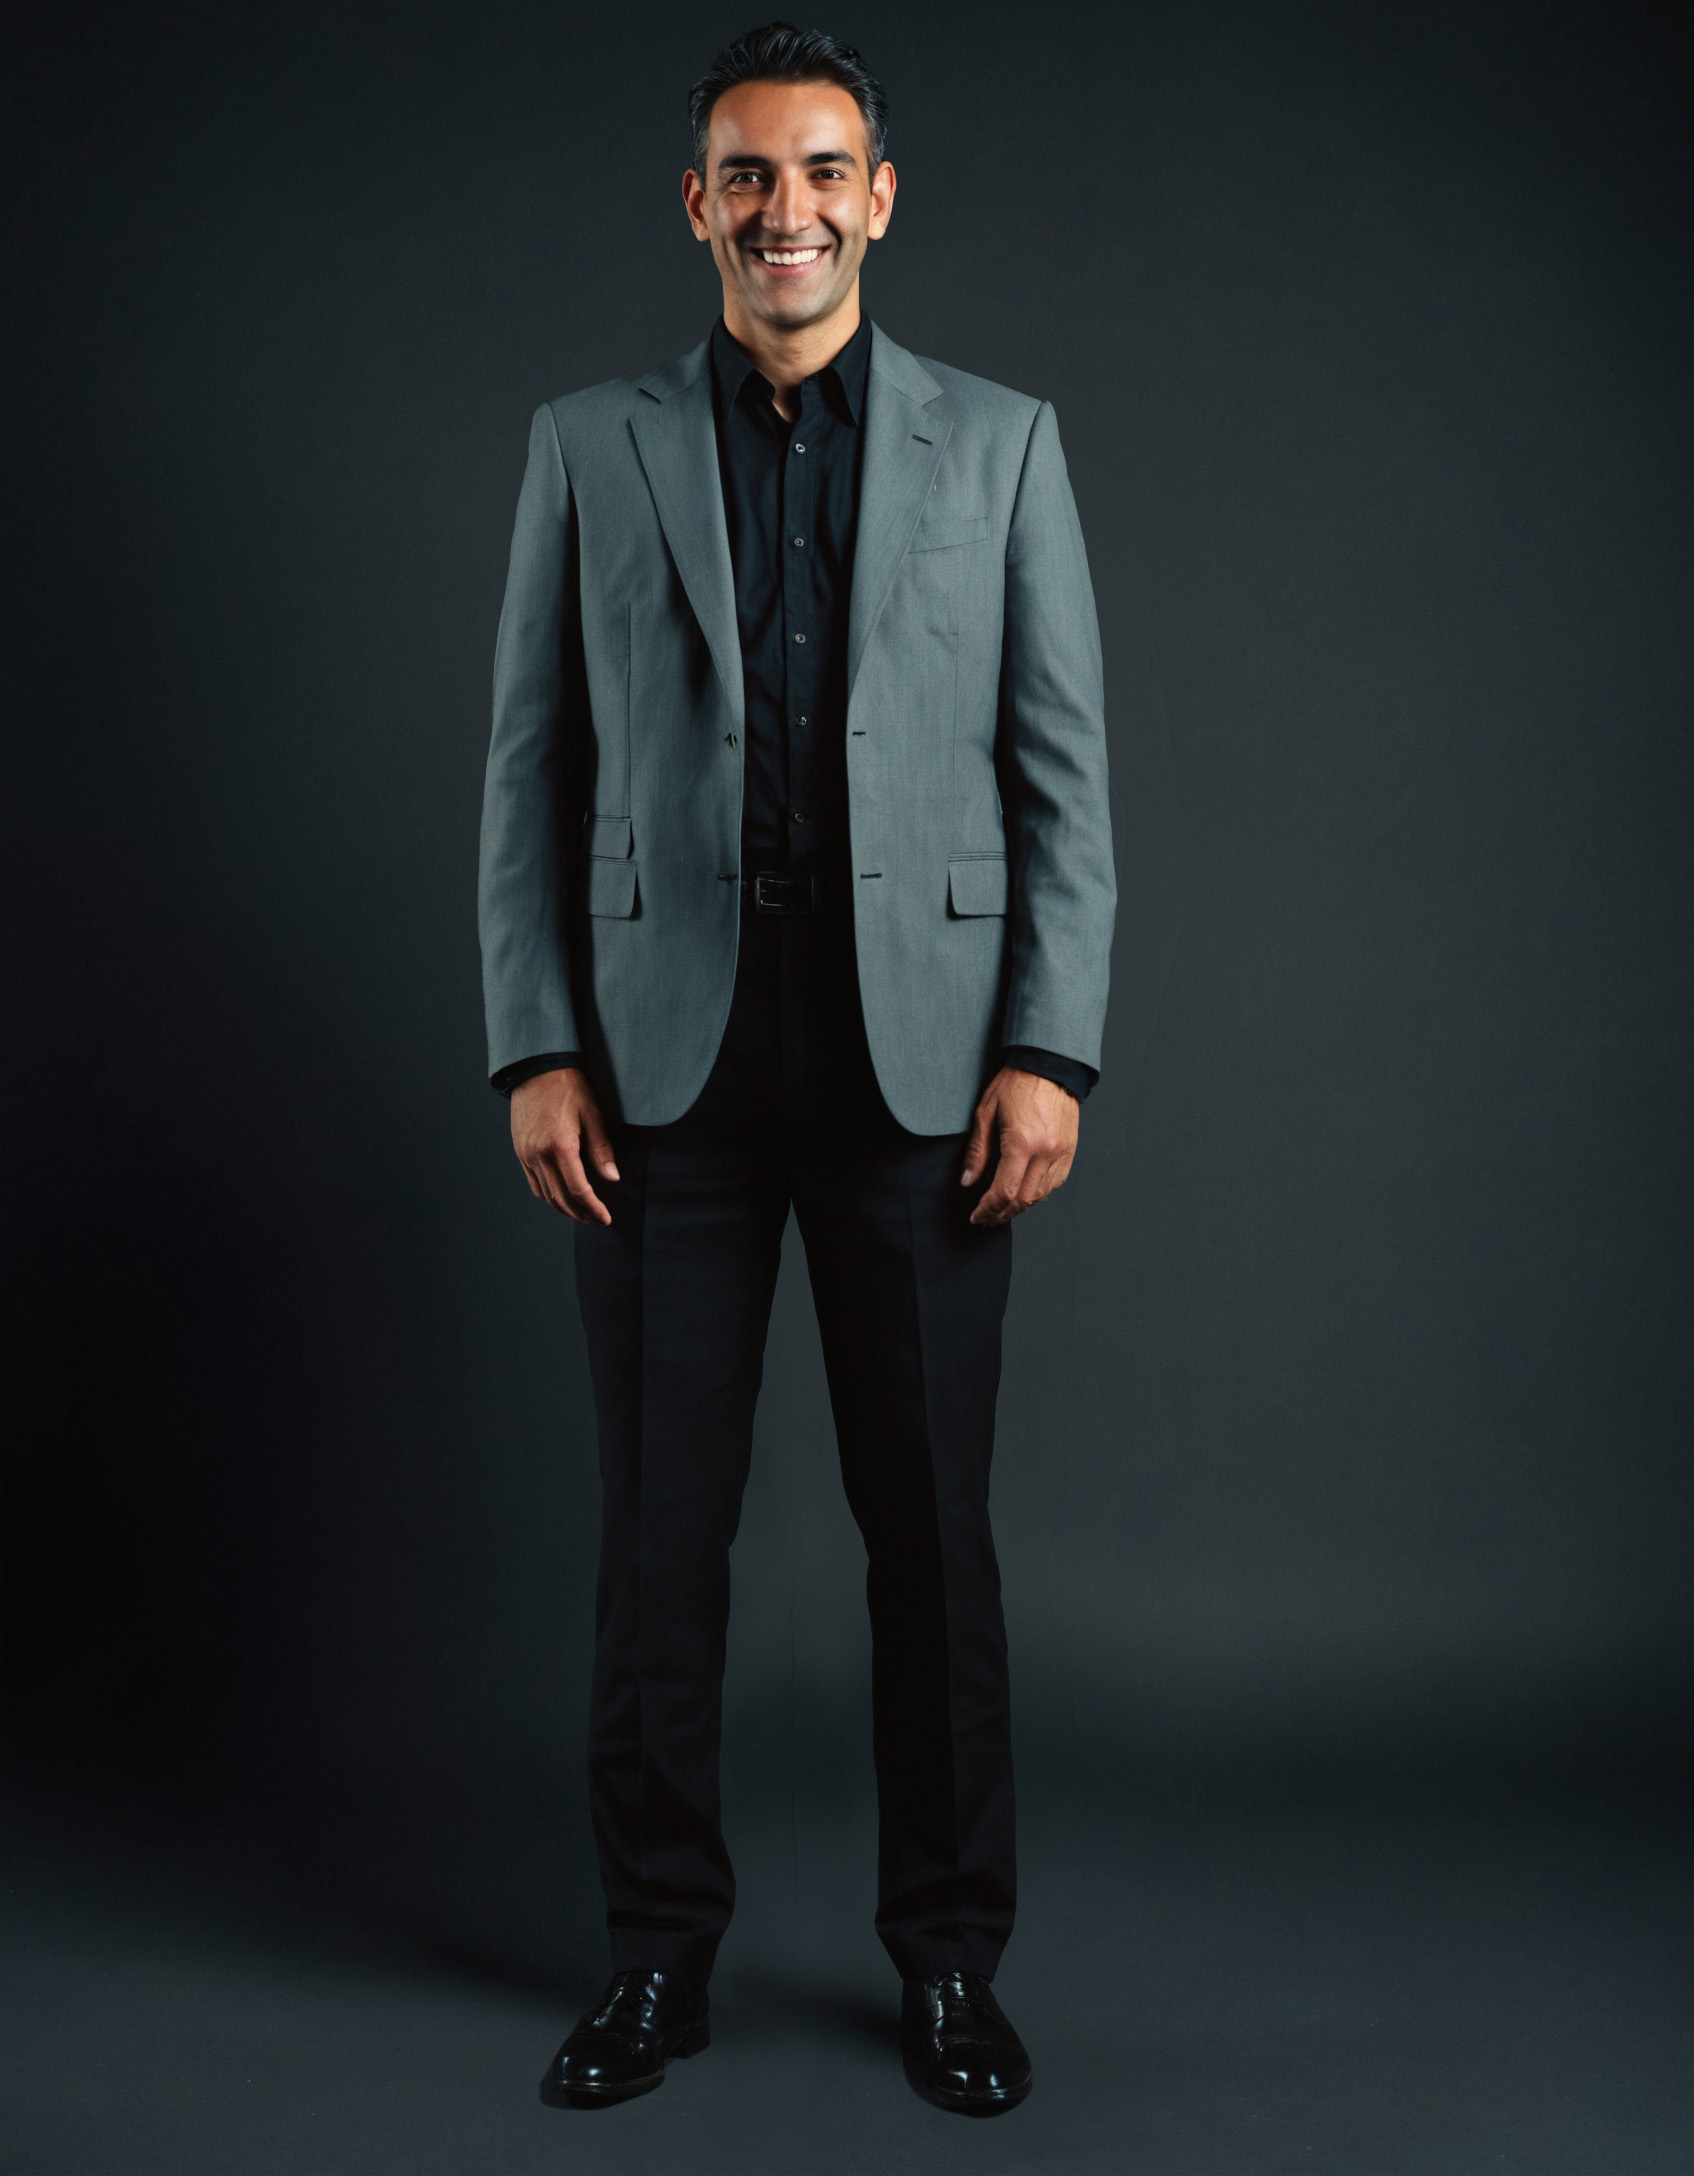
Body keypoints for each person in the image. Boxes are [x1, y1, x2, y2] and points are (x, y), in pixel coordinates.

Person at [477, 19, 1114, 2119]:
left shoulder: (1000, 444)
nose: (787, 209)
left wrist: (1045, 1043)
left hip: (919, 1071)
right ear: (698, 204)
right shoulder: (587, 444)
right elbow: (527, 768)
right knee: (657, 1549)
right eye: (748, 173)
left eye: (822, 169)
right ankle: (655, 1957)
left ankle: (951, 1964)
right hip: (658, 1069)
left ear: (879, 197)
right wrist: (534, 1040)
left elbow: (1059, 775)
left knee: (930, 1541)